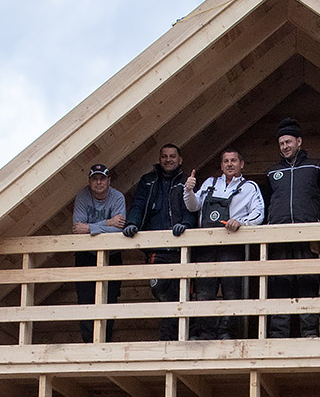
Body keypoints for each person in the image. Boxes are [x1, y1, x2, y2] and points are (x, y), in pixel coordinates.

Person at [182, 148, 265, 339]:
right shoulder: (210, 183)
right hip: (206, 246)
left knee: (232, 290)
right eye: (226, 161)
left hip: (232, 246)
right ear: (221, 165)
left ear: (241, 164)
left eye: (233, 160)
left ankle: (227, 333)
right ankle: (206, 333)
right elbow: (193, 205)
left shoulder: (249, 187)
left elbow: (259, 213)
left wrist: (241, 223)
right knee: (204, 292)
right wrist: (188, 190)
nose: (230, 164)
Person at [123, 144, 197, 341]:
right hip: (157, 248)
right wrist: (132, 223)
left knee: (184, 295)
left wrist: (186, 226)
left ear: (180, 159)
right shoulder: (148, 181)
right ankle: (174, 336)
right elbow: (138, 204)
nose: (168, 159)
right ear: (159, 158)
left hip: (181, 248)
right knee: (160, 288)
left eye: (172, 156)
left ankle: (176, 338)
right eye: (164, 156)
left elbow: (193, 208)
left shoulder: (185, 181)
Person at [265, 117, 320, 338]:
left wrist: (309, 217)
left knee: (308, 283)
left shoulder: (315, 166)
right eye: (281, 143)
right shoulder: (272, 172)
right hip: (279, 236)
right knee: (279, 285)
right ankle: (278, 334)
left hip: (307, 234)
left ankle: (309, 333)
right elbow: (266, 203)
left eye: (288, 142)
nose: (285, 147)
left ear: (299, 141)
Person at [71, 164, 127, 343]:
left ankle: (105, 342)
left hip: (112, 255)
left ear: (109, 181)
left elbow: (119, 231)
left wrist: (90, 228)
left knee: (109, 299)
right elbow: (77, 229)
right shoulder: (82, 196)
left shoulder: (117, 197)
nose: (99, 182)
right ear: (89, 182)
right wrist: (108, 222)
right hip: (86, 255)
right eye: (94, 179)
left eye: (102, 178)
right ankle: (89, 344)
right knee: (85, 299)